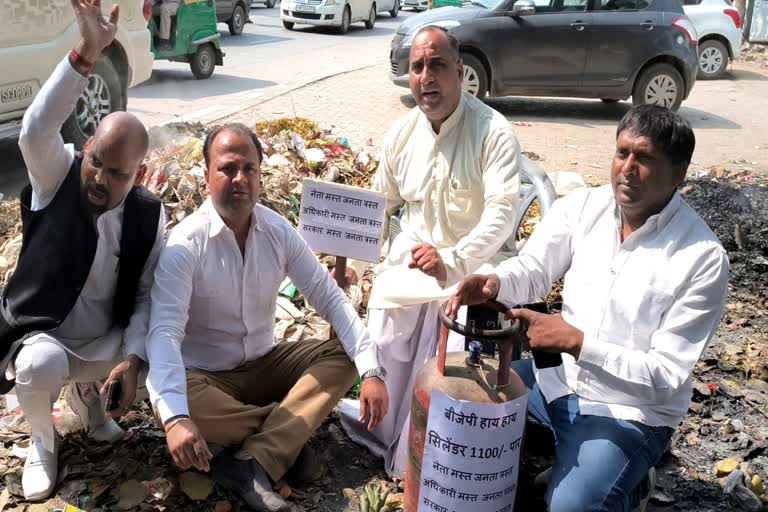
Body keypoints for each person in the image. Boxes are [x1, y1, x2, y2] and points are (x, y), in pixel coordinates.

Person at [445, 104, 730, 512]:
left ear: (678, 174)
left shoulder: (701, 258)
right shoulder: (585, 207)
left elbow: (666, 376)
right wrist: (494, 283)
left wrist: (578, 343)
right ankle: (581, 464)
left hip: (629, 411)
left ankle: (620, 481)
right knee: (466, 407)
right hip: (557, 382)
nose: (627, 168)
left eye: (644, 158)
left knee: (571, 505)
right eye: (622, 152)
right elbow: (533, 268)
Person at [144, 123, 390, 512]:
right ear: (207, 176)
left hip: (265, 366)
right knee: (176, 404)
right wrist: (175, 421)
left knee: (345, 356)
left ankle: (251, 456)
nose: (239, 179)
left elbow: (327, 296)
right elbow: (163, 334)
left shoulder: (277, 231)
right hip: (207, 379)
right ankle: (284, 442)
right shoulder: (184, 246)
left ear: (260, 175)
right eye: (227, 168)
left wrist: (371, 370)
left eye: (249, 168)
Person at [338, 25, 522, 477]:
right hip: (415, 265)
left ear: (459, 72)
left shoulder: (492, 132)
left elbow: (501, 214)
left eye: (437, 65)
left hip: (474, 268)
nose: (426, 77)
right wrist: (352, 261)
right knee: (383, 303)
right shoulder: (401, 134)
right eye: (417, 67)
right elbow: (379, 208)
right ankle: (384, 427)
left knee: (455, 341)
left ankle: (430, 459)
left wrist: (454, 261)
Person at [0, 0, 166, 501]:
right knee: (37, 368)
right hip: (46, 335)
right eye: (96, 161)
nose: (99, 178)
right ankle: (43, 441)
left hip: (104, 342)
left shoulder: (147, 213)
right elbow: (34, 130)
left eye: (117, 173)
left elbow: (142, 298)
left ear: (137, 174)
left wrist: (134, 360)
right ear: (87, 146)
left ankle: (91, 406)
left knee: (165, 350)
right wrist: (85, 53)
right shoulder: (57, 176)